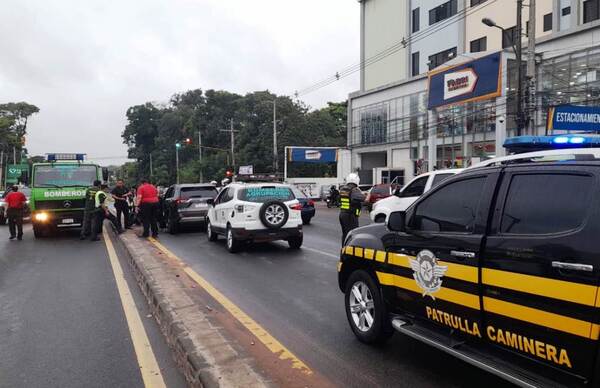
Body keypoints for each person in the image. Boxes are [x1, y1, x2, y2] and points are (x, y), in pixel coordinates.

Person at [339, 173, 365, 245]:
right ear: (357, 181)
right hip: (351, 215)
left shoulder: (343, 189)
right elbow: (361, 198)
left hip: (342, 214)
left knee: (345, 234)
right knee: (353, 234)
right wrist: (367, 197)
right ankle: (350, 251)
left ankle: (344, 248)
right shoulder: (354, 190)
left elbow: (339, 200)